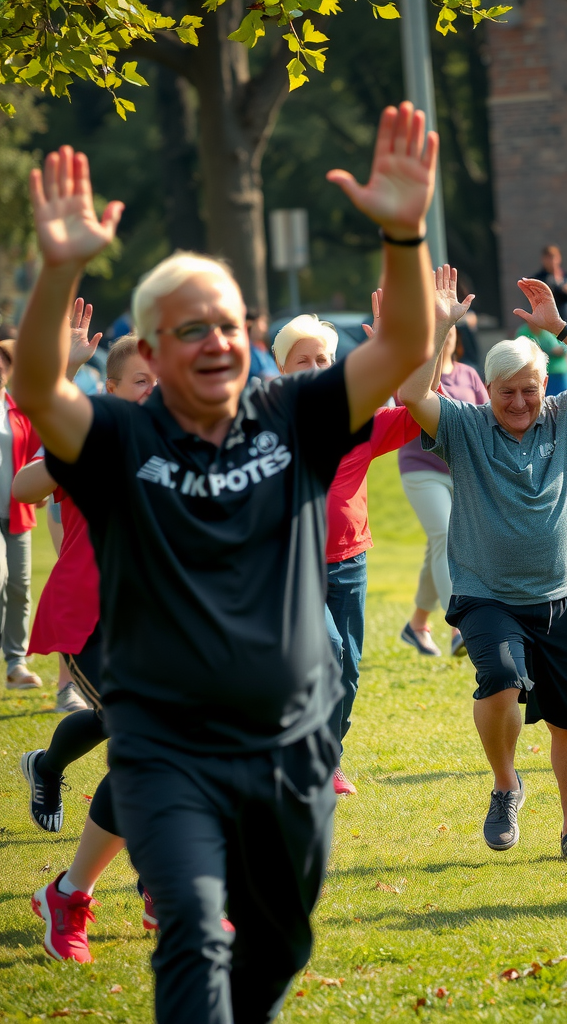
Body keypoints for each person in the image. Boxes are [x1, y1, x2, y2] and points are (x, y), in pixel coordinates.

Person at [14, 101, 437, 1023]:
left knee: (280, 940)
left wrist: (402, 236)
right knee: (195, 934)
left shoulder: (295, 418)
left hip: (290, 744)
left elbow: (402, 345)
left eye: (228, 325)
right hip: (166, 746)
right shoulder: (121, 438)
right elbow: (39, 386)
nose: (215, 341)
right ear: (154, 352)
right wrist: (58, 270)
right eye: (191, 329)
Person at [399, 276, 567, 863]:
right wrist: (443, 326)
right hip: (486, 594)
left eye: (528, 390)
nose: (519, 402)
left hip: (562, 594)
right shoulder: (465, 425)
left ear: (543, 384)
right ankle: (506, 785)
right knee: (500, 680)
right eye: (507, 392)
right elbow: (409, 393)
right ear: (489, 390)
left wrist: (559, 327)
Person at [20, 335, 158, 963]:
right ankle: (72, 893)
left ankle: (155, 878)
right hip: (91, 621)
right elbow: (24, 484)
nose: (153, 393)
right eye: (139, 383)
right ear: (111, 391)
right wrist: (67, 374)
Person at [273, 302, 432, 796]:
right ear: (282, 370)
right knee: (330, 650)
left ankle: (327, 757)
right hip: (289, 564)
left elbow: (422, 407)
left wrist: (410, 347)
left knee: (349, 671)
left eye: (324, 359)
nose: (317, 369)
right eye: (304, 361)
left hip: (350, 561)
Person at [399, 267, 488, 658]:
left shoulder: (470, 374)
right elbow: (414, 400)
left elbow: (487, 419)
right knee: (443, 536)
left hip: (459, 469)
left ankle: (417, 623)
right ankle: (460, 628)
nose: (445, 333)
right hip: (421, 467)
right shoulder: (416, 374)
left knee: (438, 543)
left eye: (449, 329)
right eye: (438, 329)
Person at [0, 337, 43, 691]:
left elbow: (32, 457)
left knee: (20, 585)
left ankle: (16, 664)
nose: (0, 365)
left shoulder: (18, 411)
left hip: (16, 513)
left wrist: (40, 491)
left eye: (5, 361)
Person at [515, 318, 567, 396]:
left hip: (559, 371)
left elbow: (566, 345)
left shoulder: (550, 329)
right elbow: (519, 350)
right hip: (536, 373)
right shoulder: (523, 332)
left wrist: (561, 350)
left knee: (565, 397)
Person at [534, 244, 567, 323]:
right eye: (549, 258)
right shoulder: (539, 278)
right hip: (548, 320)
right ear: (543, 259)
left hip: (566, 319)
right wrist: (561, 288)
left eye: (554, 257)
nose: (552, 261)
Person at [246, 308, 280, 381]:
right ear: (250, 324)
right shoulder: (247, 352)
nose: (265, 328)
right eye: (262, 322)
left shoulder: (261, 349)